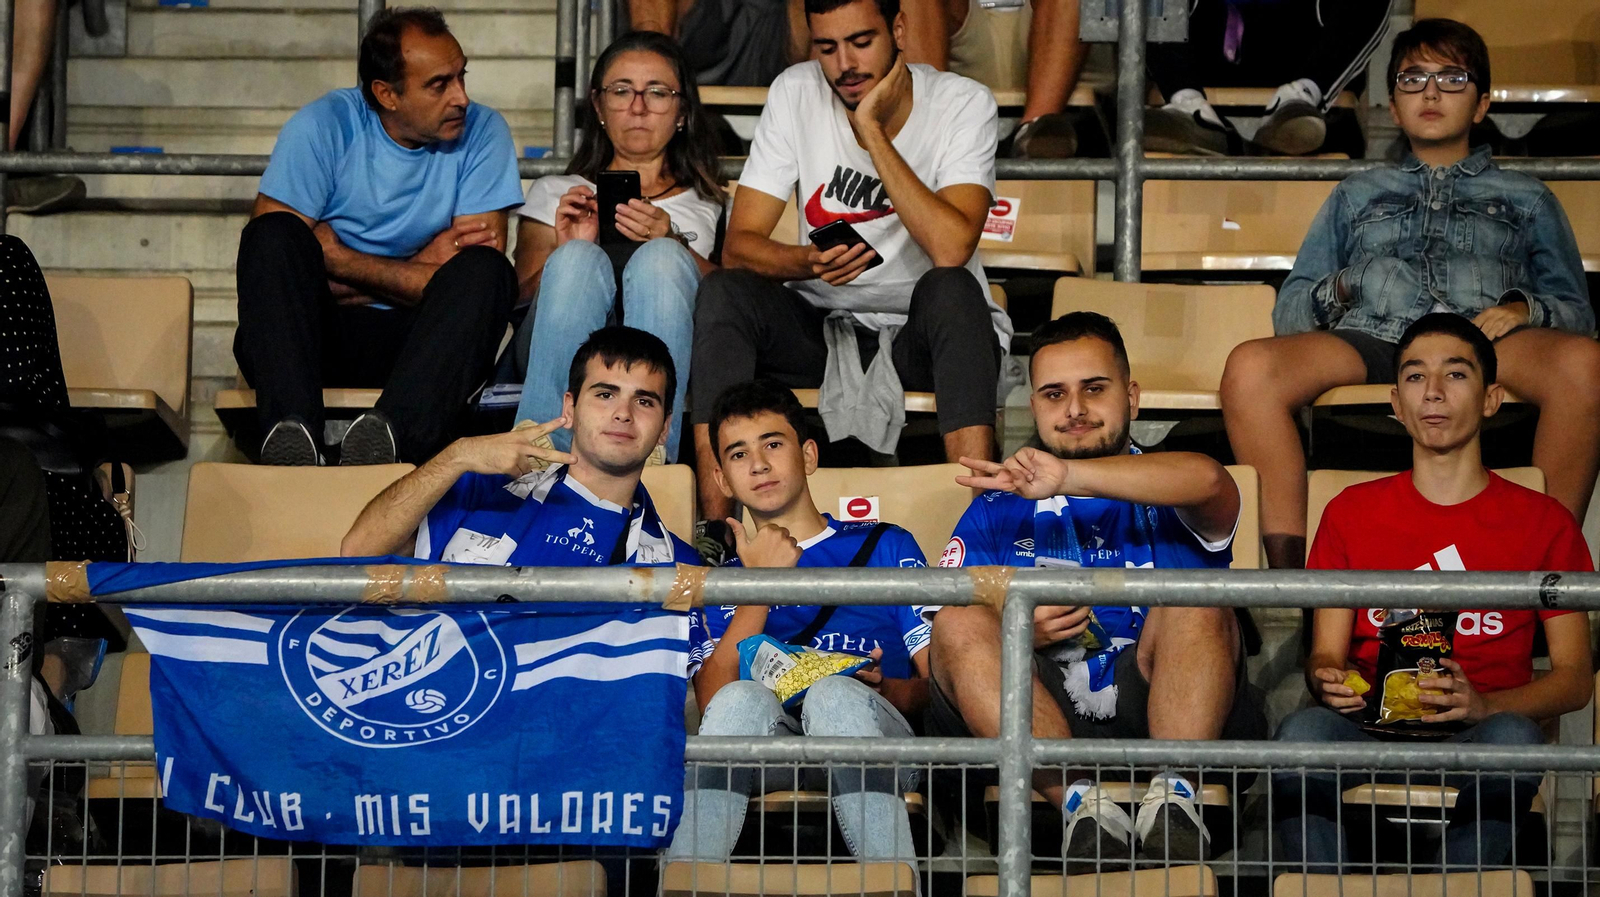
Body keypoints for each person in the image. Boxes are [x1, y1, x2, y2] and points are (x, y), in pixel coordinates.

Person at [1220, 18, 1600, 571]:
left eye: (1452, 78)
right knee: (1250, 368)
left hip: (1487, 340)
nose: (1430, 92)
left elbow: (1578, 313)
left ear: (1482, 103)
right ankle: (1293, 582)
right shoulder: (1356, 193)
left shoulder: (1528, 196)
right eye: (1412, 78)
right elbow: (1291, 312)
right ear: (1394, 107)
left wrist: (1523, 309)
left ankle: (1544, 575)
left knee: (1586, 364)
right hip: (1373, 336)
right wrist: (1349, 282)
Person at [926, 312, 1266, 862]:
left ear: (1132, 397)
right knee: (960, 618)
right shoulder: (995, 508)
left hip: (1169, 701)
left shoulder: (1174, 484)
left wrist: (1068, 477)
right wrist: (1017, 631)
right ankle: (1084, 809)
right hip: (1034, 713)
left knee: (1196, 592)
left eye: (1094, 388)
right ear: (1034, 406)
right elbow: (945, 639)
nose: (1075, 409)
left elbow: (1209, 479)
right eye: (1054, 394)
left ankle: (1174, 799)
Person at [1273, 313, 1594, 871]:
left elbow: (1574, 679)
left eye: (1456, 374)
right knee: (1299, 734)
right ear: (1396, 403)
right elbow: (1325, 654)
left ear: (1492, 399)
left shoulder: (1545, 522)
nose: (1434, 392)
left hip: (1482, 729)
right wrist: (1328, 679)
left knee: (1514, 740)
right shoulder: (1349, 513)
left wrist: (1486, 706)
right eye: (1416, 377)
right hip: (1369, 726)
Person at [689, 0, 1008, 560]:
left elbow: (952, 247)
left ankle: (981, 528)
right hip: (820, 325)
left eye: (861, 42)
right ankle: (716, 532)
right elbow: (740, 246)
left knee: (954, 288)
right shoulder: (796, 91)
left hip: (923, 333)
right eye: (827, 47)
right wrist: (806, 263)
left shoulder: (962, 102)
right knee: (724, 292)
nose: (844, 64)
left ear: (899, 29)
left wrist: (872, 132)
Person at [236, 7, 522, 467]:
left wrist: (338, 259)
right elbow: (277, 275)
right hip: (318, 338)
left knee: (489, 273)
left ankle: (388, 443)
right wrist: (422, 269)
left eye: (461, 77)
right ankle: (292, 438)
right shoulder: (323, 125)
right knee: (272, 237)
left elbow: (466, 289)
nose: (462, 98)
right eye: (439, 84)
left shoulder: (484, 132)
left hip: (420, 348)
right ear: (387, 94)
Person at [669, 381, 930, 863]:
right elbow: (713, 707)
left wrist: (885, 690)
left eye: (772, 444)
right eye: (739, 454)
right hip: (774, 753)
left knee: (836, 695)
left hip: (879, 744)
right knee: (739, 698)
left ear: (808, 455)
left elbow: (941, 688)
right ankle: (686, 881)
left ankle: (892, 883)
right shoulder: (721, 582)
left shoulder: (886, 545)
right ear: (722, 480)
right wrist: (761, 585)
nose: (759, 465)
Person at [510, 31, 725, 463]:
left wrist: (673, 241)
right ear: (598, 106)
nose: (638, 107)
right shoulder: (556, 191)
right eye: (622, 90)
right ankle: (540, 455)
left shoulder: (710, 202)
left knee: (663, 258)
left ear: (682, 111)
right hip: (557, 343)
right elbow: (516, 302)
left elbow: (730, 296)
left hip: (672, 339)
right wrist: (564, 250)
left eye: (657, 92)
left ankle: (651, 454)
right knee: (577, 258)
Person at [342, 325, 695, 567]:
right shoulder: (481, 491)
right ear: (570, 409)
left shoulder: (679, 564)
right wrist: (456, 455)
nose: (623, 414)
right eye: (605, 395)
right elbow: (359, 552)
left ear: (665, 428)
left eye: (644, 401)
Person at [1144, 0, 1393, 156]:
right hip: (1193, 90)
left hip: (1313, 107)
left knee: (1307, 124)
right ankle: (1188, 105)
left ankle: (1301, 99)